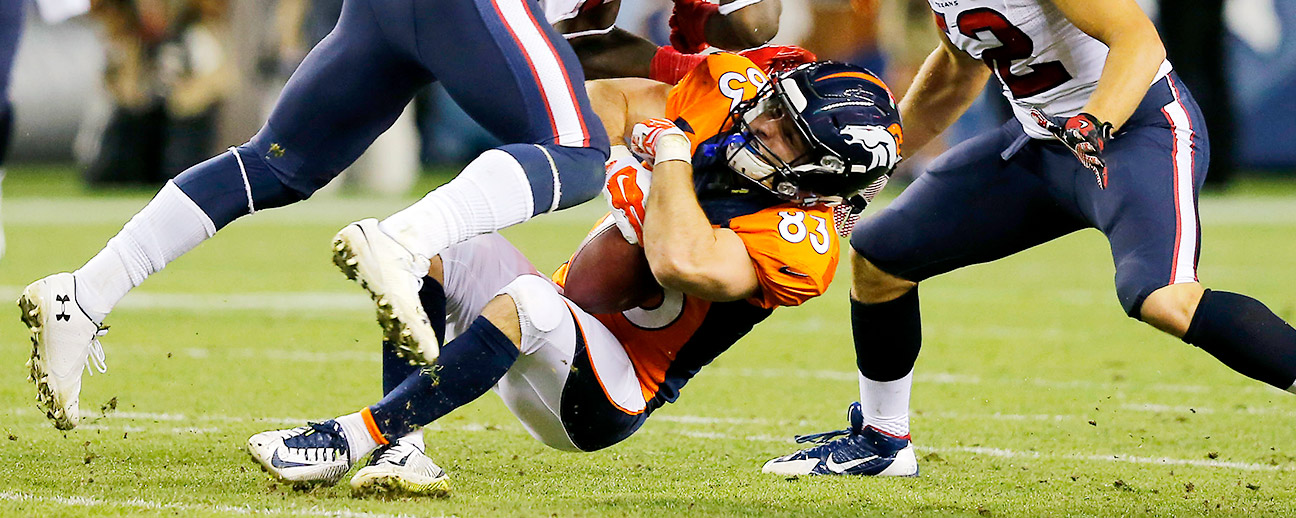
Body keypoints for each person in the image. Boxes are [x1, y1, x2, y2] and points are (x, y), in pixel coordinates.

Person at [245, 56, 903, 497]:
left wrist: (663, 159)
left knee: (531, 300)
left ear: (826, 175)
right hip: (558, 319)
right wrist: (621, 145)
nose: (760, 122)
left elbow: (681, 260)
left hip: (601, 395)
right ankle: (402, 450)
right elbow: (610, 100)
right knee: (438, 243)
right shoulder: (731, 94)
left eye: (786, 134)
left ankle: (347, 438)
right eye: (773, 106)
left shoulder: (804, 242)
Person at [18, 0, 614, 431]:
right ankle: (407, 243)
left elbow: (577, 37)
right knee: (579, 152)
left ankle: (85, 293)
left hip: (383, 15)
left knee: (271, 167)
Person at [763, 0, 1296, 477]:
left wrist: (1095, 120)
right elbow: (954, 75)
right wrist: (874, 164)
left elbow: (1138, 40)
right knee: (881, 257)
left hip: (1136, 132)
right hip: (1043, 143)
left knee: (1164, 298)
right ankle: (882, 439)